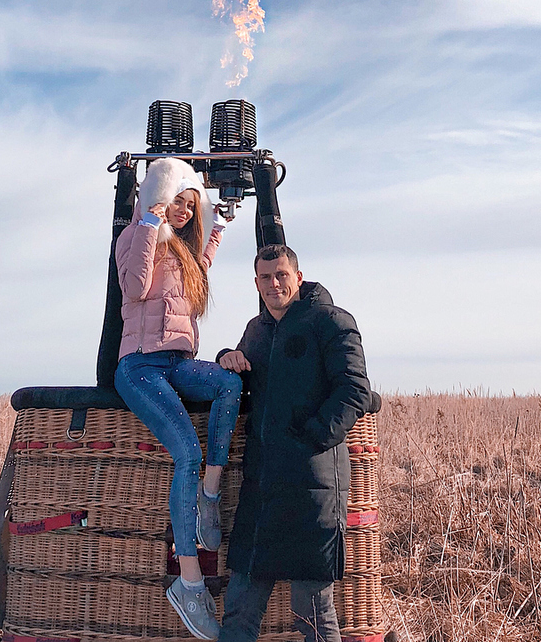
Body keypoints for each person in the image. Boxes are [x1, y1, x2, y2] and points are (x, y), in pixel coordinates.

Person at [217, 244, 376, 642]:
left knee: (313, 616)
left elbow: (355, 389)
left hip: (313, 488)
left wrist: (312, 437)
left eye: (282, 275)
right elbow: (244, 374)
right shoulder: (256, 330)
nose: (274, 284)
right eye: (266, 277)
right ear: (256, 283)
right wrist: (226, 356)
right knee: (238, 609)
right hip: (263, 489)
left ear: (298, 278)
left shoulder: (331, 321)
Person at [115, 157, 242, 642]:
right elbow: (134, 287)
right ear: (160, 201)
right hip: (141, 366)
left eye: (192, 205)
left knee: (229, 384)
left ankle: (210, 496)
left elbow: (203, 265)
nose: (184, 212)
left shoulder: (187, 255)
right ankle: (189, 582)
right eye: (178, 203)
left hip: (177, 362)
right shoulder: (135, 237)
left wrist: (219, 228)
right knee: (185, 453)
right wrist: (150, 220)